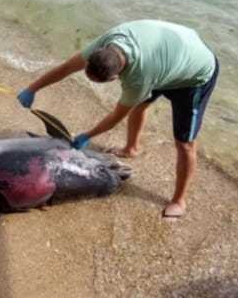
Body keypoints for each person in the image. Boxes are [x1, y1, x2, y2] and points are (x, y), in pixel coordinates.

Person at [17, 19, 218, 218]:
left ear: (115, 78)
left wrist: (86, 135)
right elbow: (65, 68)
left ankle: (179, 200)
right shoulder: (107, 43)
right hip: (170, 55)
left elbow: (116, 117)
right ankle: (132, 148)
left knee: (185, 143)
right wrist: (32, 89)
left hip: (195, 75)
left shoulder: (138, 78)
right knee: (140, 104)